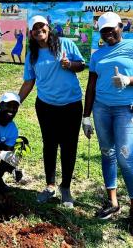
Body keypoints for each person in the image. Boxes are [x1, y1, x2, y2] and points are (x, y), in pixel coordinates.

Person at [82, 11, 133, 237]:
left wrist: (128, 79)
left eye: (111, 29)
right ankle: (113, 201)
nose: (107, 34)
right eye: (103, 31)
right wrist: (86, 116)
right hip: (101, 109)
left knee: (125, 157)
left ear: (121, 27)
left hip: (127, 109)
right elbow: (91, 86)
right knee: (107, 153)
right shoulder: (97, 54)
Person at [18, 15, 86, 208]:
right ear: (31, 33)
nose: (39, 30)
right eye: (35, 28)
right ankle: (50, 185)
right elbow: (29, 81)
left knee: (68, 146)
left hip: (71, 105)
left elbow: (81, 65)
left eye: (42, 26)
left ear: (48, 28)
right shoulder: (32, 54)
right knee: (49, 145)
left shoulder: (65, 44)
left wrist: (69, 65)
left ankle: (65, 188)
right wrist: (17, 101)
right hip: (46, 106)